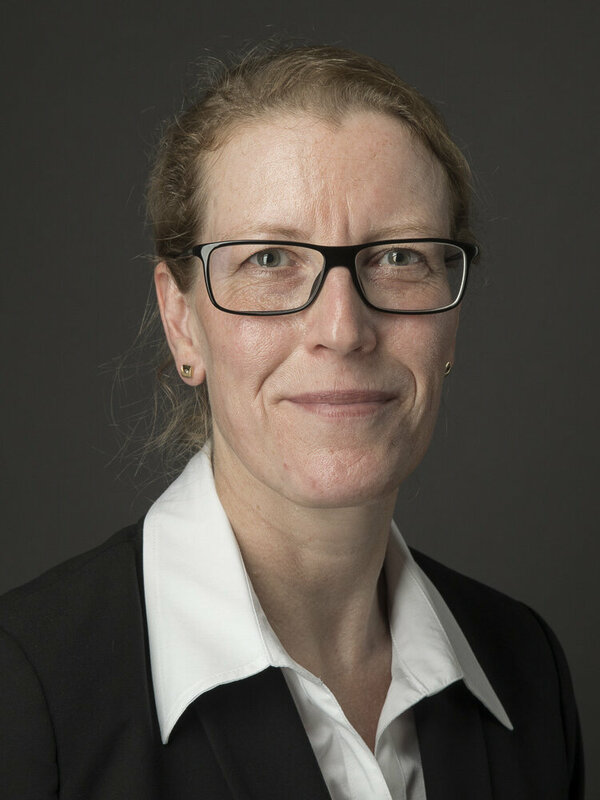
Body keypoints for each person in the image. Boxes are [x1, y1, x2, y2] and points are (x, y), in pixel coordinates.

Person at [0, 44, 583, 799]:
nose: (343, 330)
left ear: (452, 319)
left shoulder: (526, 669)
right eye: (271, 259)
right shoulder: (26, 692)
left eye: (399, 257)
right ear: (182, 322)